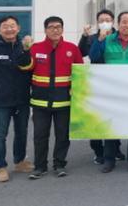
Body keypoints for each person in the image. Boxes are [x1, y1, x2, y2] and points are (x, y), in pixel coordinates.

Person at [24, 16, 83, 179]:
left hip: (64, 101)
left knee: (62, 136)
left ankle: (59, 165)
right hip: (40, 102)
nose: (55, 30)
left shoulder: (72, 49)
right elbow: (25, 69)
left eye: (58, 27)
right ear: (45, 30)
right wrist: (25, 50)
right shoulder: (35, 48)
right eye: (51, 27)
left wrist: (77, 93)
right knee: (40, 136)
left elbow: (80, 73)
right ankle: (40, 167)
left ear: (62, 29)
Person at [90, 11, 128, 173]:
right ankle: (109, 159)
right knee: (111, 125)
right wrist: (99, 39)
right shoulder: (107, 39)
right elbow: (94, 57)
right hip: (112, 91)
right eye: (124, 22)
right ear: (118, 23)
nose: (127, 25)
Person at [0, 16, 34, 182]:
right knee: (0, 135)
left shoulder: (24, 47)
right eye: (5, 26)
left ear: (18, 28)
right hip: (1, 102)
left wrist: (26, 49)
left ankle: (19, 161)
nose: (9, 29)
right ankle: (1, 167)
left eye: (12, 25)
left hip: (22, 100)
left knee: (22, 133)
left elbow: (28, 65)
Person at [77, 9, 125, 164]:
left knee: (114, 117)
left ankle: (115, 148)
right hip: (96, 82)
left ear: (113, 21)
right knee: (96, 117)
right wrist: (85, 36)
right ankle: (98, 151)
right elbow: (83, 53)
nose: (105, 22)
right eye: (102, 20)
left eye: (108, 20)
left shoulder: (119, 37)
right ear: (97, 23)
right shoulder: (92, 38)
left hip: (115, 83)